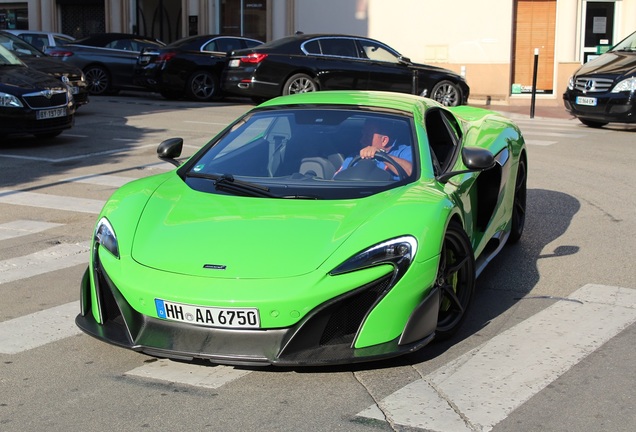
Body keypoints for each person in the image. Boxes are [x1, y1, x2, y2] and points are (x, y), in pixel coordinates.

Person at [335, 118, 413, 178]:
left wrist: (381, 155)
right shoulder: (354, 158)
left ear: (384, 140)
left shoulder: (406, 152)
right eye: (363, 135)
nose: (362, 140)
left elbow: (411, 173)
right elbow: (336, 180)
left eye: (368, 136)